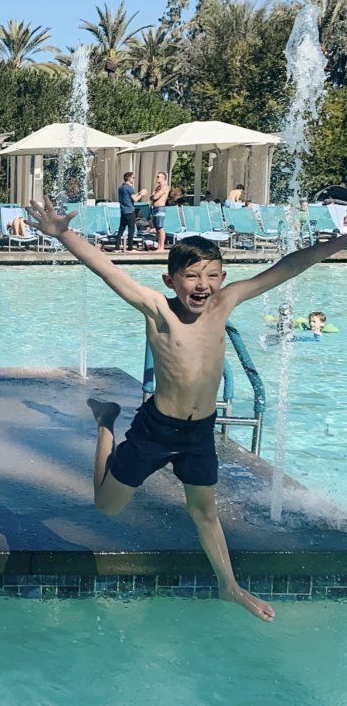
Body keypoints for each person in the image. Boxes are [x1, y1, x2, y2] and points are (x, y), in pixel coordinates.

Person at [28, 198, 347, 622]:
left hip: (199, 433)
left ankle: (228, 585)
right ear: (171, 279)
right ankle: (106, 424)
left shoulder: (225, 303)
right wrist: (63, 233)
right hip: (156, 429)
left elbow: (286, 267)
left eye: (212, 275)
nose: (203, 284)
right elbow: (107, 269)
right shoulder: (157, 309)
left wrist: (339, 242)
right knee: (107, 506)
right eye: (192, 275)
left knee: (205, 511)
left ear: (222, 278)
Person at [115, 172, 146, 252]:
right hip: (130, 211)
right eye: (133, 177)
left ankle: (117, 247)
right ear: (128, 178)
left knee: (121, 229)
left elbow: (130, 196)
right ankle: (130, 247)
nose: (134, 179)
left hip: (123, 211)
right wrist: (142, 194)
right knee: (131, 230)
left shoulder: (121, 188)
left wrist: (139, 193)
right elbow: (135, 199)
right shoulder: (129, 187)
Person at [149, 172, 170, 252]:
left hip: (160, 208)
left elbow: (155, 196)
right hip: (155, 208)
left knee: (160, 228)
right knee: (157, 228)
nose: (157, 178)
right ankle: (159, 246)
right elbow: (152, 196)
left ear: (163, 178)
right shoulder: (158, 187)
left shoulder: (165, 187)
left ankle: (161, 248)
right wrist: (153, 196)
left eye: (158, 176)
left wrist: (153, 196)